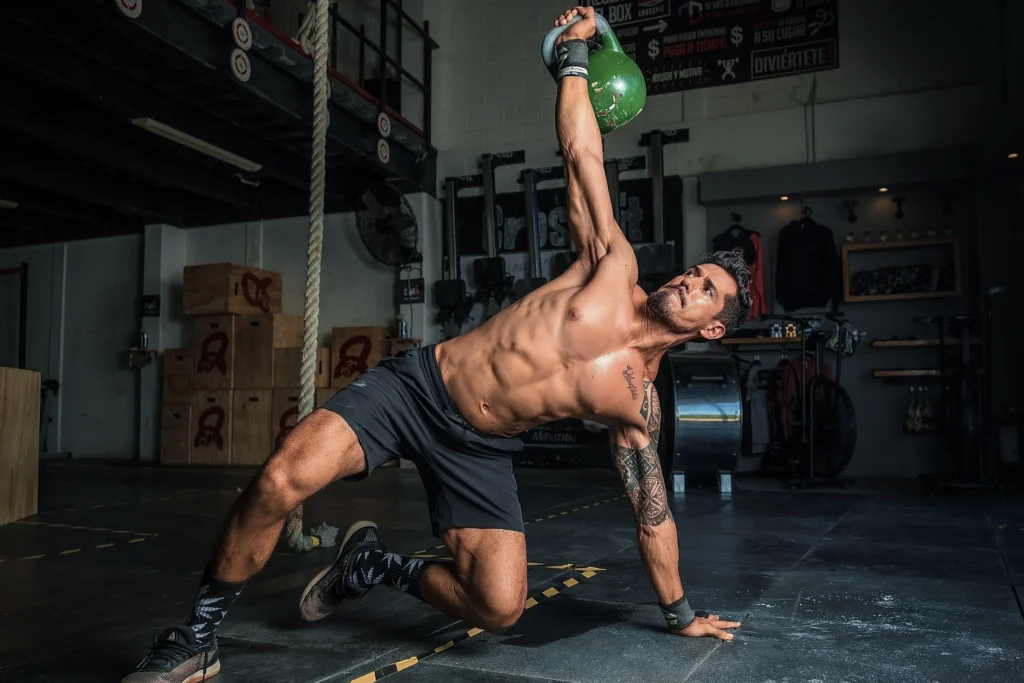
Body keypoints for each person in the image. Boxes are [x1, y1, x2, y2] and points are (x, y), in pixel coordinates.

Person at [122, 6, 750, 682]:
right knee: (281, 477)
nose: (690, 281)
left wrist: (680, 612)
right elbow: (582, 151)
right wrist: (574, 55)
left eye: (707, 290)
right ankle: (198, 635)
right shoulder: (612, 265)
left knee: (501, 605)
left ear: (712, 328)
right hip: (417, 389)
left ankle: (374, 565)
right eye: (696, 271)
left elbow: (651, 513)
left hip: (479, 447)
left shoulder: (639, 405)